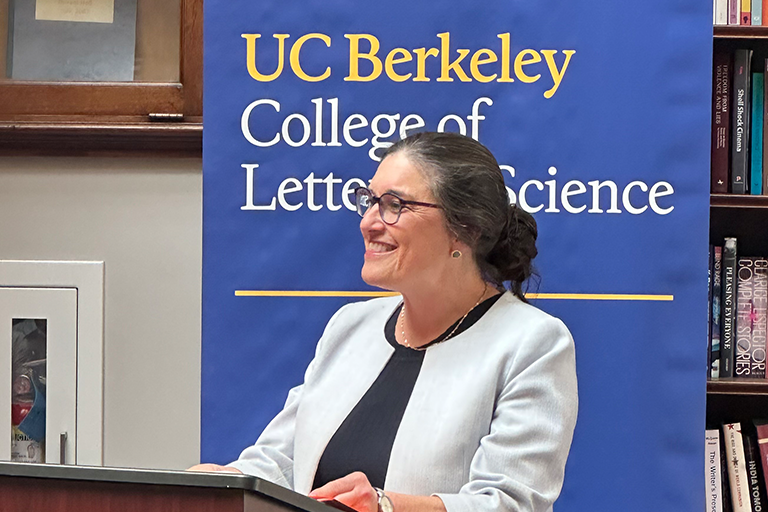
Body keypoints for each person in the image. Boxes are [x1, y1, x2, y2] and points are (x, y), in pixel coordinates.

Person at [190, 132, 578, 512]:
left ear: (465, 229)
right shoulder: (351, 325)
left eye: (394, 204)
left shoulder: (532, 343)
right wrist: (223, 482)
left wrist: (387, 507)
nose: (369, 222)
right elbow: (281, 461)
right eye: (369, 201)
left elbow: (510, 504)